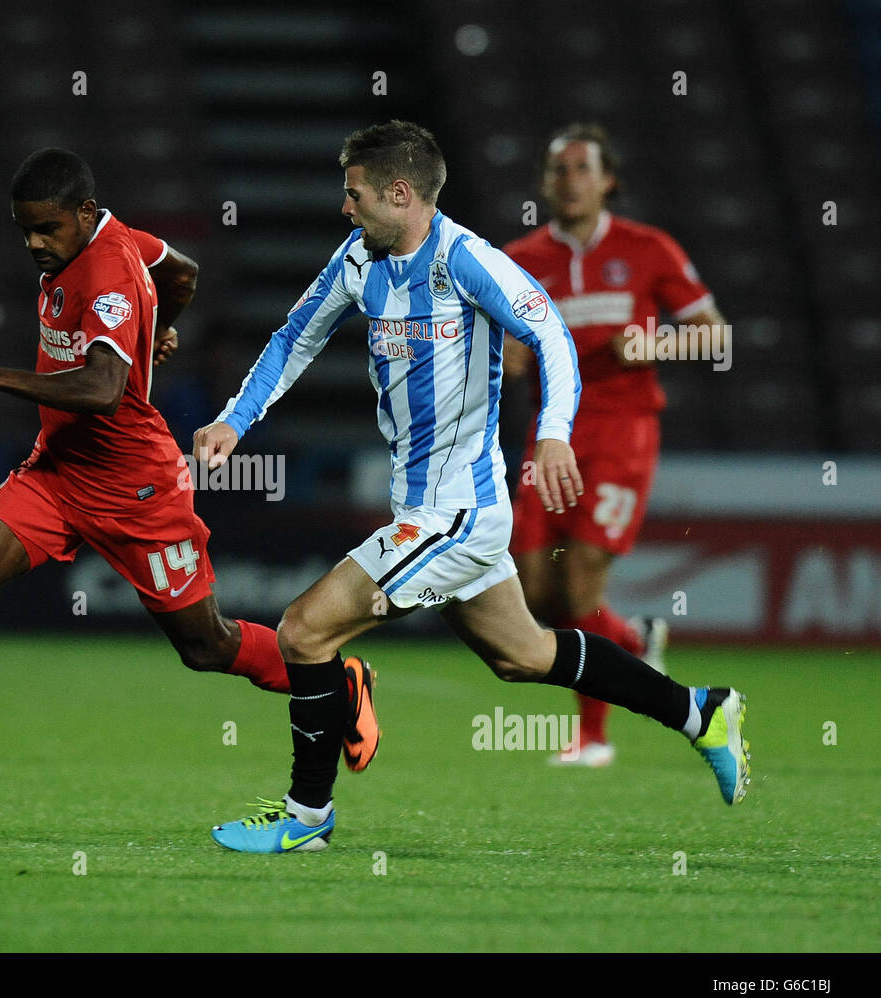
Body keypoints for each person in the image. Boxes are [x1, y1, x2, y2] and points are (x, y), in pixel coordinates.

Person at [193, 120, 748, 853]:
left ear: (400, 192)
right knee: (525, 655)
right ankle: (702, 712)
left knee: (303, 628)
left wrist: (552, 430)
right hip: (425, 506)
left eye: (354, 193)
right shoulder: (359, 257)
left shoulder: (465, 259)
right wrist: (236, 419)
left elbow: (550, 334)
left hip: (460, 512)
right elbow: (294, 337)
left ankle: (307, 816)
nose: (344, 207)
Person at [0, 148, 379, 800]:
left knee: (205, 645)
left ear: (84, 213)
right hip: (57, 474)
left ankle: (341, 680)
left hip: (137, 488)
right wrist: (159, 327)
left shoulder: (107, 271)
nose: (34, 242)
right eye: (25, 228)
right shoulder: (116, 239)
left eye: (47, 228)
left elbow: (104, 388)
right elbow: (184, 273)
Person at [504, 124, 729, 767]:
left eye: (581, 168)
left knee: (577, 587)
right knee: (535, 594)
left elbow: (715, 337)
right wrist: (505, 356)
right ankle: (634, 640)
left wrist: (653, 345)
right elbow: (494, 343)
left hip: (623, 432)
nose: (568, 179)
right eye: (557, 169)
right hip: (550, 436)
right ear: (545, 183)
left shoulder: (648, 248)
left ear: (608, 180)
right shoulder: (519, 257)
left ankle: (594, 737)